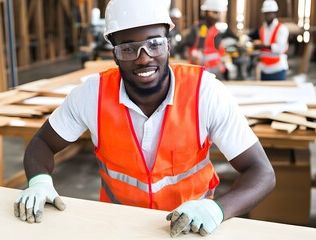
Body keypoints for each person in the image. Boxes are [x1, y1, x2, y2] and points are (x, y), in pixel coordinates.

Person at [14, 0, 275, 237]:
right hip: (117, 228)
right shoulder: (91, 96)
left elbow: (261, 172)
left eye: (154, 44)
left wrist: (216, 210)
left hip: (193, 230)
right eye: (128, 48)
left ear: (169, 43)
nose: (144, 58)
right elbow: (42, 144)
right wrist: (39, 182)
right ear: (114, 52)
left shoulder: (205, 93)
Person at [183, 0, 229, 79]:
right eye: (214, 12)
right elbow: (187, 45)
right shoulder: (199, 28)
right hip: (201, 72)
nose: (216, 16)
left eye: (217, 13)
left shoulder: (216, 29)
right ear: (207, 12)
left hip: (216, 71)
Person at [250, 0, 289, 80]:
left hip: (278, 69)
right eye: (266, 13)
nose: (268, 16)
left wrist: (263, 46)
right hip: (264, 69)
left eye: (270, 13)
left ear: (275, 13)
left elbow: (280, 48)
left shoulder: (281, 28)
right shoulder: (263, 28)